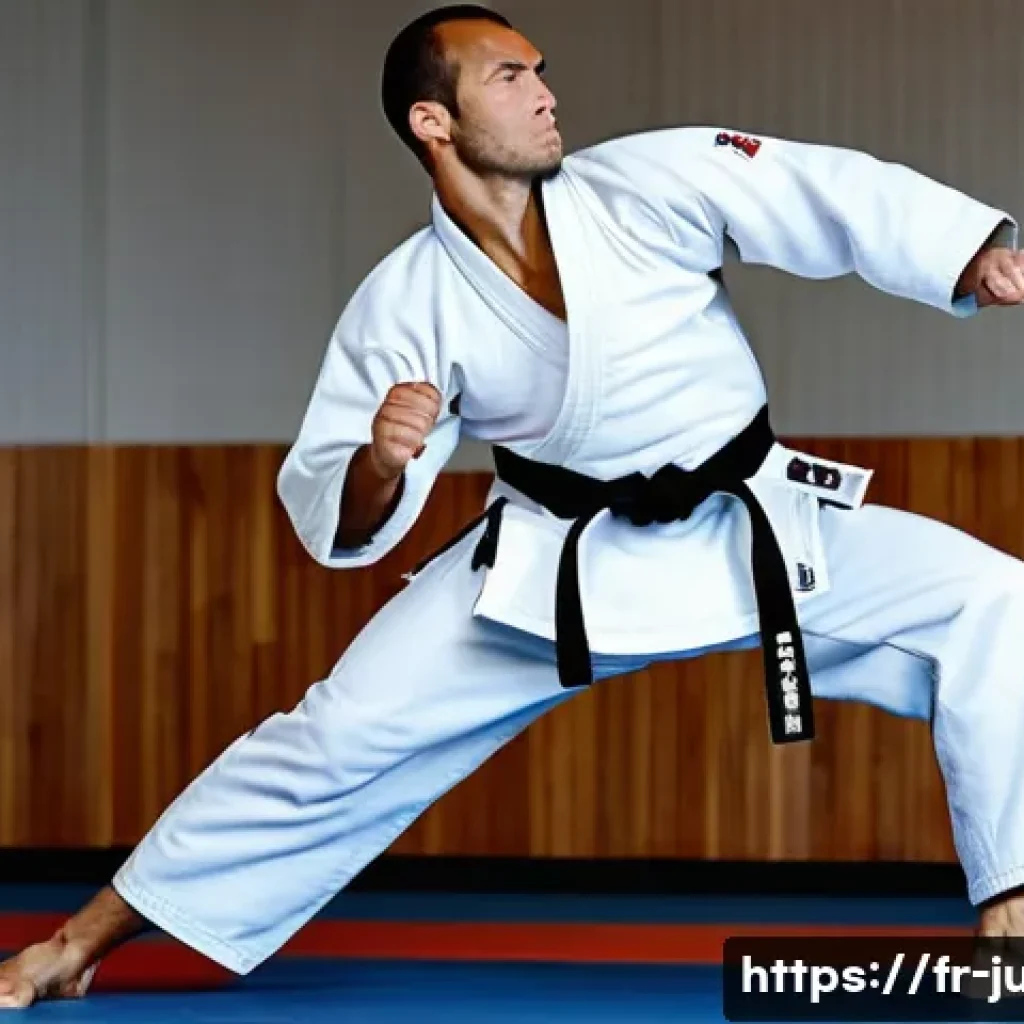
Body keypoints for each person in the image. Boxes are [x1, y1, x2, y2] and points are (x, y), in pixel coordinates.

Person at [4, 3, 1024, 1008]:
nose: (544, 95)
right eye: (509, 77)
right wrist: (382, 459)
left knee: (992, 601)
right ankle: (75, 942)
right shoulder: (406, 299)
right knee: (329, 737)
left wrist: (960, 255)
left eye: (540, 72)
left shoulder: (646, 183)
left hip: (747, 528)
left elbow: (817, 189)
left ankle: (1009, 918)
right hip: (550, 571)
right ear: (431, 122)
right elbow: (339, 512)